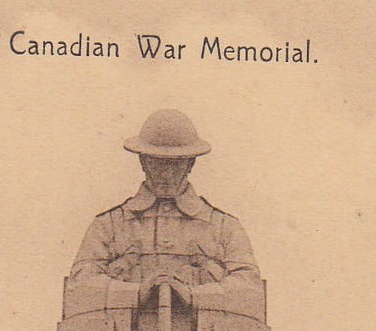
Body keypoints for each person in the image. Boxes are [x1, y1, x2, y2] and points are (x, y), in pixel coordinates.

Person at [69, 110, 261, 310]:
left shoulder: (224, 227)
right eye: (157, 163)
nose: (166, 174)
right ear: (143, 162)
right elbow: (79, 286)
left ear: (190, 164)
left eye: (175, 164)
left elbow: (250, 289)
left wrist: (196, 296)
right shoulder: (108, 225)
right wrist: (135, 293)